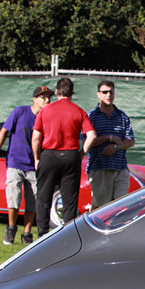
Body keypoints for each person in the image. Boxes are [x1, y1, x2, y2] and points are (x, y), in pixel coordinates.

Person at [32, 77, 97, 236]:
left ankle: (42, 235)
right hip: (70, 156)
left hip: (49, 155)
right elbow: (92, 136)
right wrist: (81, 153)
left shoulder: (45, 110)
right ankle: (67, 237)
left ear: (56, 92)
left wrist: (37, 157)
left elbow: (35, 138)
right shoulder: (79, 111)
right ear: (72, 93)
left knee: (43, 198)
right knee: (70, 201)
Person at [0, 85, 53, 244]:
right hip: (15, 162)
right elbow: (4, 131)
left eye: (48, 97)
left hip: (34, 165)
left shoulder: (47, 118)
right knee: (14, 198)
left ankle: (27, 233)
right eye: (43, 97)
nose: (46, 100)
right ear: (35, 99)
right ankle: (11, 229)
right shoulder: (20, 112)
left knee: (33, 200)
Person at [85, 80, 136, 209]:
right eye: (105, 92)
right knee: (100, 208)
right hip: (99, 167)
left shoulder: (122, 116)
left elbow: (130, 140)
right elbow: (87, 141)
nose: (108, 95)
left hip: (120, 167)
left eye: (111, 92)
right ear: (98, 94)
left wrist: (116, 147)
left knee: (121, 206)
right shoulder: (91, 116)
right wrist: (109, 138)